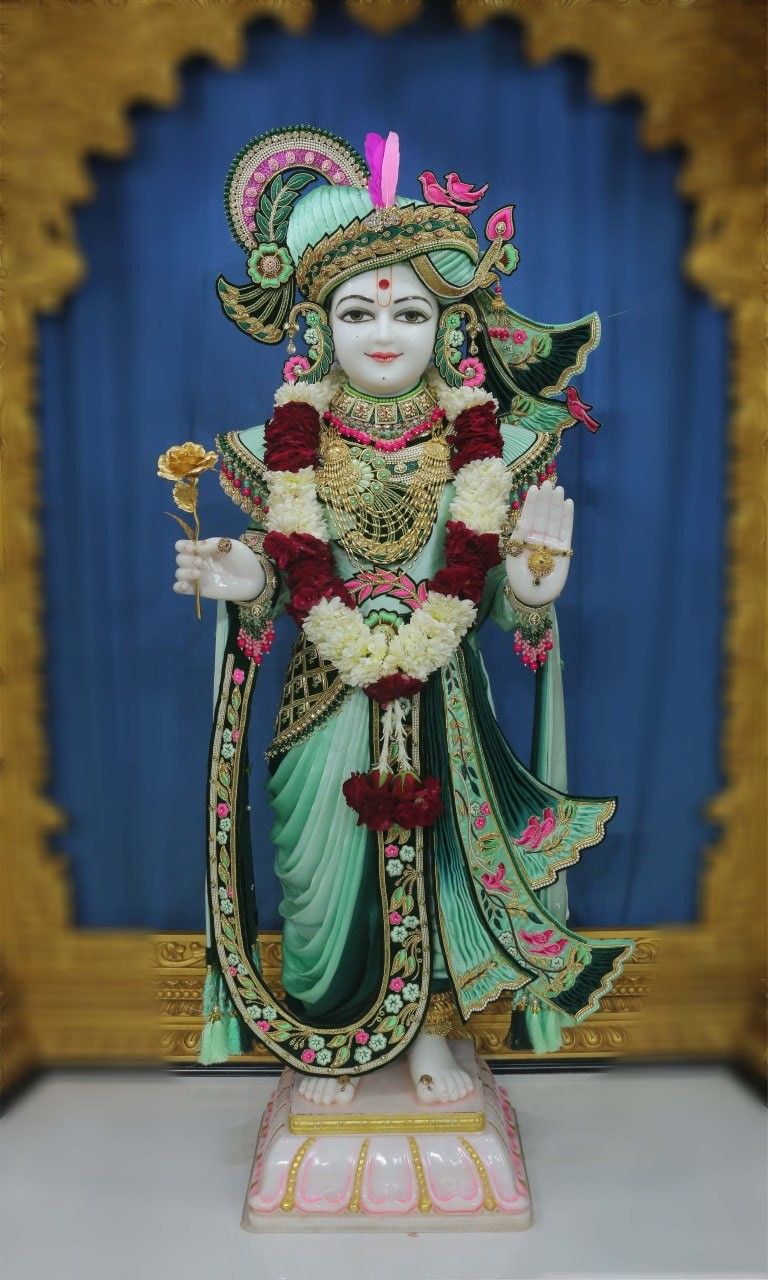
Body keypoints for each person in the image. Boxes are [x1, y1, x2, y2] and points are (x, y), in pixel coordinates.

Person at [173, 126, 633, 1106]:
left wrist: (535, 588)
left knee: (442, 867)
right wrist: (239, 574)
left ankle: (430, 1031)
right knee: (316, 873)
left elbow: (498, 578)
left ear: (449, 330)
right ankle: (325, 1032)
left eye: (412, 311)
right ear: (318, 329)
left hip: (441, 696)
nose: (385, 332)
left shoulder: (491, 446)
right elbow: (285, 566)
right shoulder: (275, 448)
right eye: (358, 311)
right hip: (321, 699)